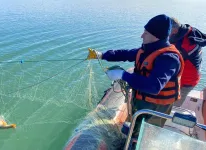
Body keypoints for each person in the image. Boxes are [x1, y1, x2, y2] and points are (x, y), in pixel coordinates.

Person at [87, 14, 184, 143]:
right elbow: (125, 53)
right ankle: (134, 133)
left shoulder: (169, 58)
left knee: (149, 133)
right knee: (137, 120)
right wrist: (102, 55)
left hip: (157, 106)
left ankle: (139, 141)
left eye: (145, 32)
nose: (142, 35)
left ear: (156, 36)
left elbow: (154, 86)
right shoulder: (147, 49)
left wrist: (123, 75)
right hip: (141, 99)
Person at [169, 17, 206, 107]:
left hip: (187, 80)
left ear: (174, 30)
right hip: (186, 76)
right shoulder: (191, 31)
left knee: (173, 106)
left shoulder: (185, 44)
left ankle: (168, 118)